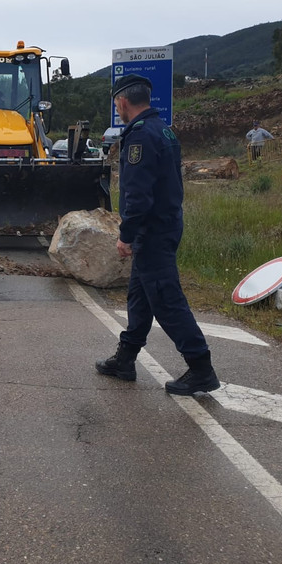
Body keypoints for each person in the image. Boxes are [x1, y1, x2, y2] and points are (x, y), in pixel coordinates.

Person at [95, 74, 220, 395]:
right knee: (140, 296)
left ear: (123, 101)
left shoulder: (139, 137)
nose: (117, 109)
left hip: (152, 230)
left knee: (165, 299)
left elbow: (137, 194)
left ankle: (200, 367)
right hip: (165, 224)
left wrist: (126, 234)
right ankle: (125, 358)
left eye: (116, 104)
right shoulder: (163, 131)